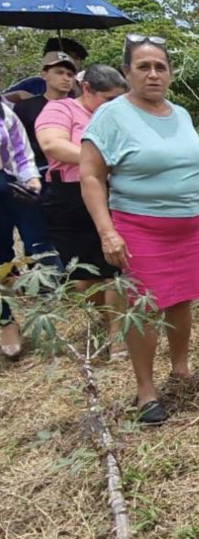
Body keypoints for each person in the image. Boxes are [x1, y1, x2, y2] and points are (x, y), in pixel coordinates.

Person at [80, 34, 199, 425]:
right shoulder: (111, 116)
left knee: (180, 299)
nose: (153, 74)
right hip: (139, 228)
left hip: (187, 229)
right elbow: (91, 176)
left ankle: (181, 367)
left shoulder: (181, 114)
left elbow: (195, 166)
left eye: (160, 66)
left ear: (171, 73)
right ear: (127, 72)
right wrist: (108, 232)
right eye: (143, 66)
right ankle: (146, 390)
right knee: (143, 307)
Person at [36, 65, 128, 354]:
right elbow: (53, 145)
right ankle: (105, 317)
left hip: (111, 191)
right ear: (87, 88)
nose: (114, 106)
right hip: (68, 195)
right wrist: (100, 160)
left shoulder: (116, 117)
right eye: (108, 99)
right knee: (83, 274)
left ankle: (117, 332)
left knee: (116, 264)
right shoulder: (60, 110)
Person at [0, 99, 43, 358]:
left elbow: (19, 151)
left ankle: (7, 318)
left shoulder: (4, 112)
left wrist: (32, 179)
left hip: (5, 188)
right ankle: (5, 321)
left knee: (4, 258)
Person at [13, 52, 78, 178]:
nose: (66, 78)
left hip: (75, 171)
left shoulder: (80, 107)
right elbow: (17, 144)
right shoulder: (25, 107)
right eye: (59, 72)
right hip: (37, 172)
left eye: (70, 75)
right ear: (44, 75)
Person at [3, 38, 87, 103]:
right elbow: (2, 98)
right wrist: (19, 94)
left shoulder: (86, 86)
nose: (72, 61)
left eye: (76, 58)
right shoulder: (34, 84)